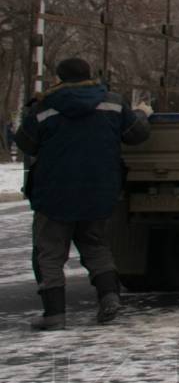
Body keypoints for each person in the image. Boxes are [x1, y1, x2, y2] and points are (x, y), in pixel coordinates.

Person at [13, 57, 150, 331]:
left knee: (50, 252)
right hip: (99, 189)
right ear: (90, 75)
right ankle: (109, 296)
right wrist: (141, 114)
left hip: (53, 192)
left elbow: (25, 143)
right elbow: (136, 135)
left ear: (59, 78)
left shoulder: (44, 106)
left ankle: (54, 314)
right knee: (95, 244)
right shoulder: (112, 103)